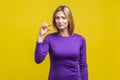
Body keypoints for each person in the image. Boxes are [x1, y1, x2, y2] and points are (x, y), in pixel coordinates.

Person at [35, 5, 88, 80]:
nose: (60, 21)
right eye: (57, 18)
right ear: (54, 20)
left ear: (69, 19)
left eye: (63, 18)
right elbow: (38, 59)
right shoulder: (49, 38)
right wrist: (40, 36)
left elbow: (83, 65)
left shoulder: (80, 39)